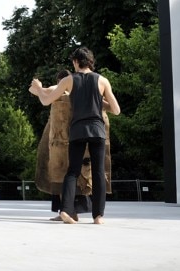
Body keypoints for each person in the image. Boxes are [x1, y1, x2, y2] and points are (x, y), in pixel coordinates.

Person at [30, 46, 121, 225]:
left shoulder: (68, 80)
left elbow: (46, 101)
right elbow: (116, 110)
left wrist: (39, 89)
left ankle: (65, 210)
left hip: (78, 130)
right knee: (98, 172)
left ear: (75, 62)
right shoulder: (102, 81)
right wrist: (99, 102)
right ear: (91, 62)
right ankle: (98, 216)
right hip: (97, 131)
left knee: (72, 172)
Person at [31, 69, 95, 220]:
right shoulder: (78, 92)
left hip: (59, 135)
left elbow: (36, 92)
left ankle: (66, 211)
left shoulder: (57, 89)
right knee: (74, 172)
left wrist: (39, 87)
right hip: (75, 132)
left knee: (60, 172)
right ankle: (71, 210)